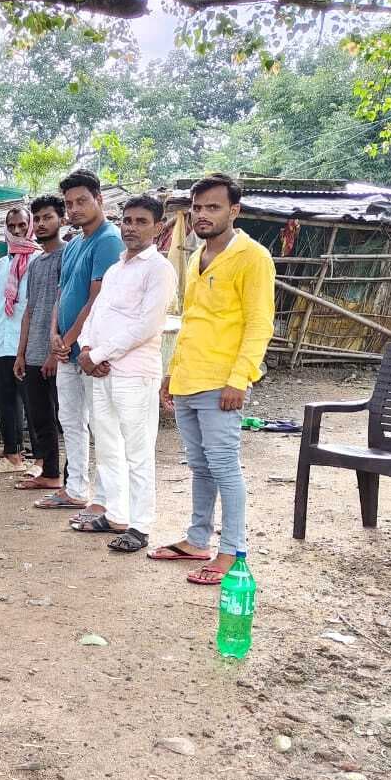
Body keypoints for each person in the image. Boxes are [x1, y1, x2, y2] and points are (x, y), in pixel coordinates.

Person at [149, 173, 275, 584]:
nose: (203, 215)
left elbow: (259, 325)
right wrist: (172, 372)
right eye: (198, 208)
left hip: (222, 382)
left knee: (224, 467)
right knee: (200, 467)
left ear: (234, 211)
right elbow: (192, 322)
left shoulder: (252, 257)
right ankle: (197, 539)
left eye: (213, 207)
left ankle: (233, 552)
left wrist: (240, 379)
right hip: (189, 378)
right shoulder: (193, 255)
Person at [74, 194, 177, 553]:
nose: (131, 227)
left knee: (137, 451)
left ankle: (140, 526)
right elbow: (96, 315)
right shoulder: (116, 269)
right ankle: (116, 514)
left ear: (158, 228)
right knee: (107, 447)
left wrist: (99, 353)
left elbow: (146, 325)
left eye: (141, 221)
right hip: (101, 372)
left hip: (134, 374)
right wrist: (86, 350)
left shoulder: (159, 269)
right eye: (127, 220)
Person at [44, 169, 123, 517]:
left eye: (81, 201)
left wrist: (72, 338)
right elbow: (61, 294)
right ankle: (75, 488)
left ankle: (105, 499)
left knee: (102, 425)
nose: (74, 209)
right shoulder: (74, 243)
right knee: (71, 420)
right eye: (69, 203)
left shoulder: (109, 239)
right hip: (66, 350)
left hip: (93, 350)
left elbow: (98, 296)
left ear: (99, 200)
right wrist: (54, 336)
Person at [16, 195, 67, 495]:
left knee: (68, 418)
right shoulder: (35, 264)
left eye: (48, 217)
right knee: (40, 417)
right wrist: (21, 353)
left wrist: (53, 353)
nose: (42, 224)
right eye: (39, 219)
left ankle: (72, 479)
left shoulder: (69, 255)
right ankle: (49, 473)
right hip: (33, 353)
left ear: (61, 219)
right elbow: (30, 309)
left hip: (59, 353)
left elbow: (65, 304)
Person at [0, 206, 37, 474]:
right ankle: (13, 455)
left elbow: (35, 306)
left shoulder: (38, 261)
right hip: (4, 341)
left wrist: (27, 347)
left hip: (27, 344)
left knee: (33, 401)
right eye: (12, 226)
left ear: (30, 226)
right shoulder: (0, 265)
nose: (16, 231)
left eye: (21, 225)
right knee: (6, 400)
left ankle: (40, 460)